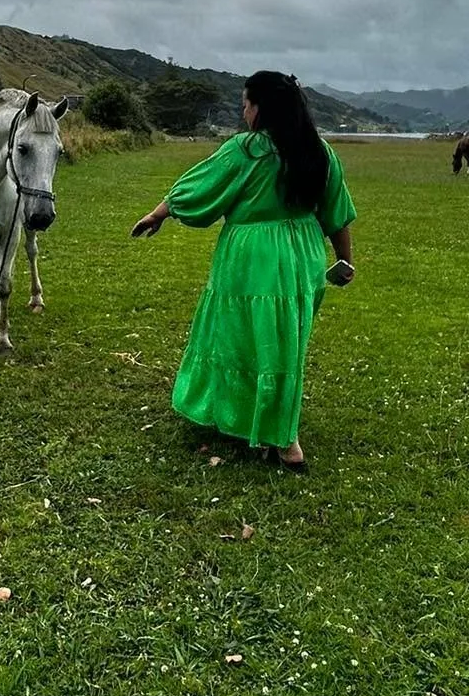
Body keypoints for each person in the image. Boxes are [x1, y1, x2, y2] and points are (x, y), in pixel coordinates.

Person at [131, 70, 356, 472]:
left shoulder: (245, 150)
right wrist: (345, 260)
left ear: (261, 109)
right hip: (303, 257)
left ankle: (279, 436)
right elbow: (336, 215)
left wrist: (157, 214)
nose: (244, 112)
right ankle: (284, 439)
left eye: (246, 105)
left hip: (251, 258)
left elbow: (198, 187)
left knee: (239, 339)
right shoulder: (320, 151)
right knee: (284, 343)